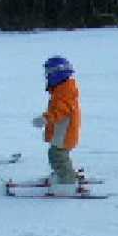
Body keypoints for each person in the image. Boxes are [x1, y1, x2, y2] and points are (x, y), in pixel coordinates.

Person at [32, 56, 82, 196]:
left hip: (65, 133)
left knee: (58, 155)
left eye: (48, 73)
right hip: (61, 132)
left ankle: (67, 181)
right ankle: (63, 174)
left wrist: (45, 119)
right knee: (57, 154)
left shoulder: (65, 92)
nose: (46, 76)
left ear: (57, 74)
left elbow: (60, 111)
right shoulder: (61, 90)